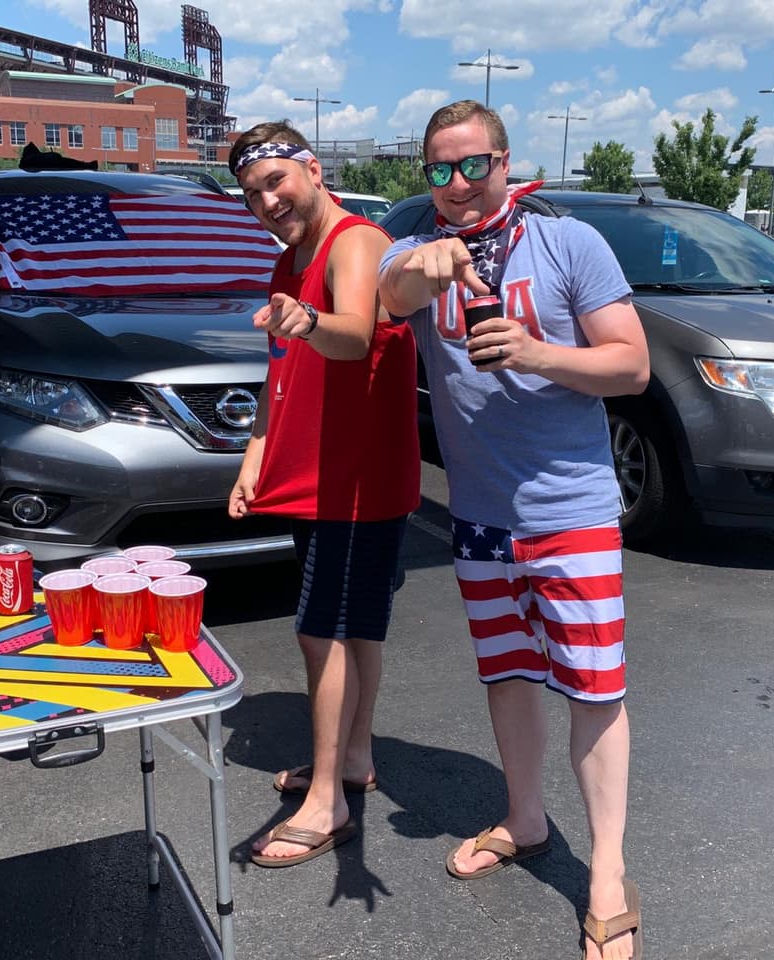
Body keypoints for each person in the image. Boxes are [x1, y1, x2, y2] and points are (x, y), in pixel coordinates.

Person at [378, 100, 649, 959]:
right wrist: (432, 263)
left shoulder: (568, 243)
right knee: (508, 674)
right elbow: (391, 293)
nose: (457, 184)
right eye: (439, 170)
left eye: (473, 166)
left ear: (505, 161)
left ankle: (607, 871)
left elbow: (631, 364)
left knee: (595, 690)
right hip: (481, 519)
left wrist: (538, 353)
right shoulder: (416, 244)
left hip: (571, 515)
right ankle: (526, 820)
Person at [226, 122, 420, 868]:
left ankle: (326, 803)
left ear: (311, 168)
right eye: (253, 194)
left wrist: (309, 319)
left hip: (357, 481)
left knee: (323, 631)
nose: (268, 200)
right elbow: (282, 368)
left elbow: (353, 331)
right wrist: (255, 453)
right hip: (315, 477)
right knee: (355, 627)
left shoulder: (354, 242)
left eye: (277, 181)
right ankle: (352, 760)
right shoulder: (289, 260)